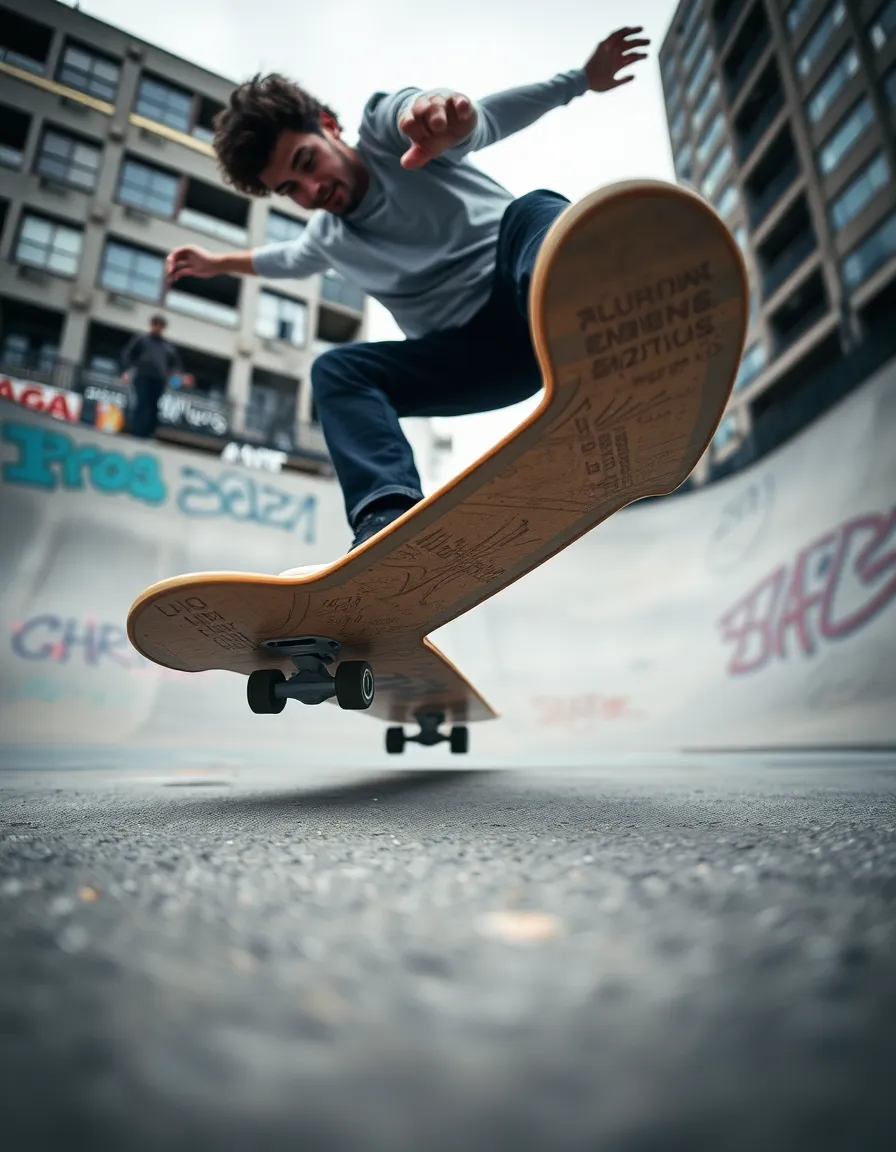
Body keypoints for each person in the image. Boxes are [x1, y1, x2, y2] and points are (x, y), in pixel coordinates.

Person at [164, 26, 649, 552]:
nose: (312, 191)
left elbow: (466, 117)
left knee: (533, 209)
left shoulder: (386, 132)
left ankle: (593, 310)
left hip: (529, 296)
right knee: (336, 371)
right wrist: (218, 262)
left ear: (328, 127)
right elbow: (280, 259)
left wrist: (564, 84)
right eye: (291, 190)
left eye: (307, 163)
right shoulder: (328, 239)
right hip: (478, 362)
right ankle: (386, 521)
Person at [120, 314, 193, 438]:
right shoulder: (141, 340)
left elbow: (175, 366)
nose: (157, 327)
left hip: (158, 380)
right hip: (142, 376)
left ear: (163, 328)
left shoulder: (167, 347)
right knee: (142, 403)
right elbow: (128, 355)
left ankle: (149, 432)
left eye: (160, 325)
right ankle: (138, 432)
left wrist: (178, 378)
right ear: (151, 325)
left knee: (153, 406)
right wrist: (129, 369)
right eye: (155, 324)